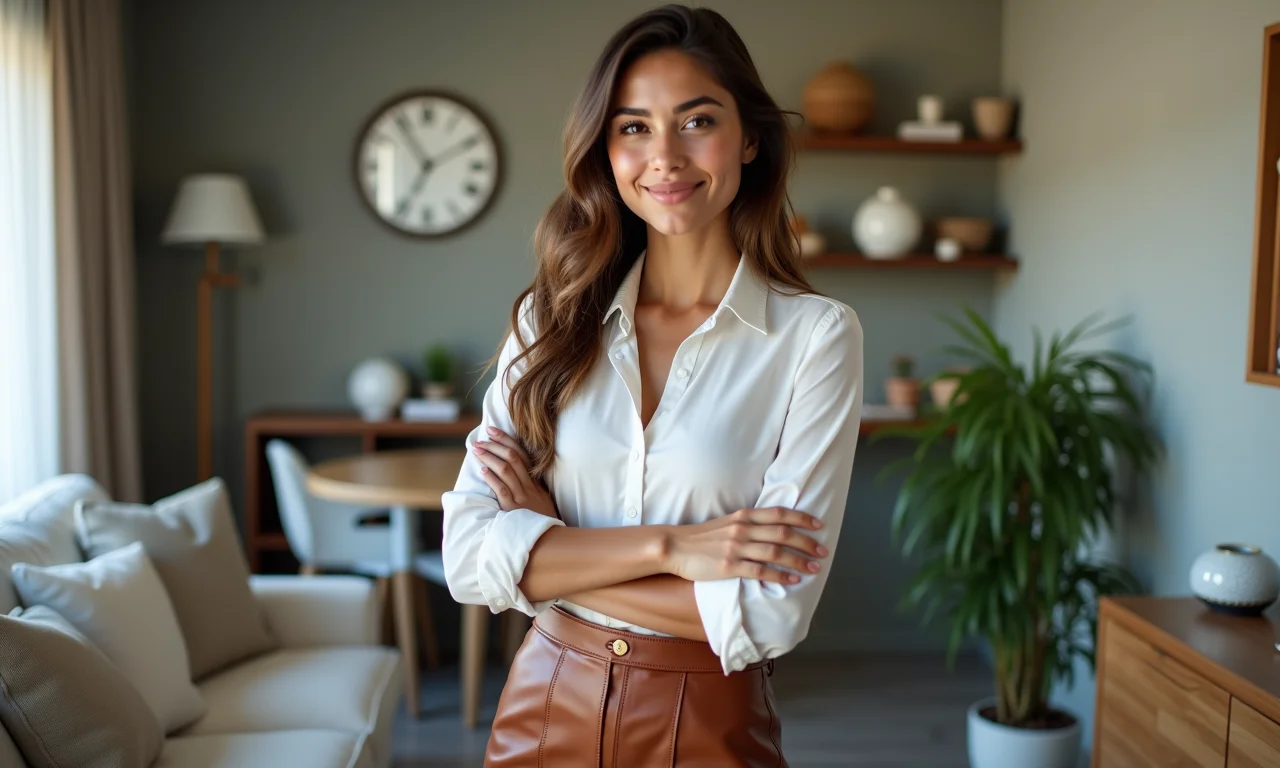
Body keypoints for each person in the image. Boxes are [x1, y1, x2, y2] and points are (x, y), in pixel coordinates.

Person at [441, 5, 863, 766]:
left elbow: (772, 614)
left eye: (697, 120)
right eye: (633, 127)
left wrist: (549, 554)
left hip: (706, 719)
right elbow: (469, 558)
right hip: (543, 703)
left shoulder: (816, 338)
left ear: (750, 137)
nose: (663, 156)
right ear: (605, 150)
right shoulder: (549, 321)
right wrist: (678, 548)